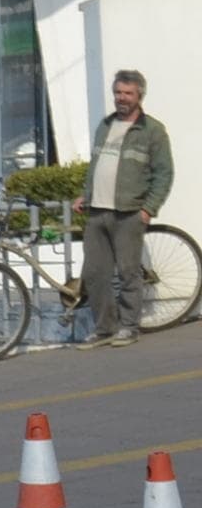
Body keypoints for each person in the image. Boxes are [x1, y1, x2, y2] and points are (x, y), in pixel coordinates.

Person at [79, 68, 174, 346]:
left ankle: (129, 326)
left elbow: (164, 173)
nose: (121, 98)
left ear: (139, 96)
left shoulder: (152, 131)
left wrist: (148, 209)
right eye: (118, 92)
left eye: (128, 93)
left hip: (129, 212)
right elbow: (96, 166)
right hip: (97, 211)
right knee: (95, 274)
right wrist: (85, 195)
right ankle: (104, 329)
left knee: (128, 272)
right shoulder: (105, 125)